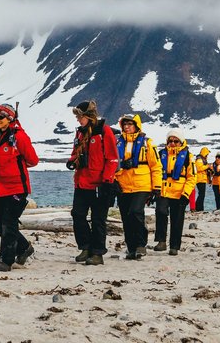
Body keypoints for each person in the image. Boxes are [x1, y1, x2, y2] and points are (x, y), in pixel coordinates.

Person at [0, 103, 39, 271]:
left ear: (10, 118)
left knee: (9, 223)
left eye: (0, 117)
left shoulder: (19, 137)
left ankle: (6, 261)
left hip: (16, 187)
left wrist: (17, 168)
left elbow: (33, 159)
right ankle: (24, 248)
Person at [68, 101, 119, 266]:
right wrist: (71, 161)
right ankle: (85, 246)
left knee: (98, 219)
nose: (78, 119)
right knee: (77, 214)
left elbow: (112, 159)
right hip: (82, 182)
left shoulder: (104, 131)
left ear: (88, 116)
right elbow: (76, 152)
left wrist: (106, 180)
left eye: (80, 116)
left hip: (99, 184)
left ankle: (97, 253)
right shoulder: (80, 133)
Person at [115, 114, 163, 260]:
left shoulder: (148, 144)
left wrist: (157, 187)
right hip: (123, 185)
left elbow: (156, 166)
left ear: (136, 126)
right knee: (126, 217)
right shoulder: (117, 143)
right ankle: (131, 248)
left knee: (135, 212)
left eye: (130, 124)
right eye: (125, 124)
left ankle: (141, 245)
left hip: (142, 184)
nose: (127, 127)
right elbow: (113, 164)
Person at [155, 129, 196, 255]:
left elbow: (192, 177)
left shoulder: (188, 157)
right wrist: (154, 189)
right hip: (164, 190)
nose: (172, 143)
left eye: (175, 141)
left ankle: (174, 246)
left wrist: (186, 193)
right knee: (161, 212)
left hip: (180, 192)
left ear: (181, 142)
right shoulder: (161, 153)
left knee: (177, 219)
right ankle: (161, 241)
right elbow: (155, 172)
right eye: (170, 140)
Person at [190, 147, 210, 212]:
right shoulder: (199, 160)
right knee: (201, 194)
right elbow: (198, 168)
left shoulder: (202, 159)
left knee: (201, 194)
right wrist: (207, 166)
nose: (207, 156)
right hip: (200, 179)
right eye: (207, 154)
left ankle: (199, 207)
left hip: (202, 179)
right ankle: (199, 208)